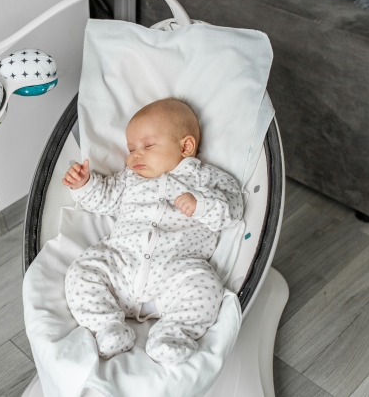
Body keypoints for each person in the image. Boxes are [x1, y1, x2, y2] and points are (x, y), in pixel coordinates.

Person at [62, 97, 243, 365]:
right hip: (121, 264)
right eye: (131, 148)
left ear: (186, 146)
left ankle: (172, 334)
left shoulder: (205, 178)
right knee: (83, 272)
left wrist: (201, 204)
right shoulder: (129, 179)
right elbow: (104, 198)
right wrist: (84, 185)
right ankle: (107, 327)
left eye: (147, 145)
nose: (135, 155)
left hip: (176, 271)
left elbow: (233, 206)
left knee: (205, 286)